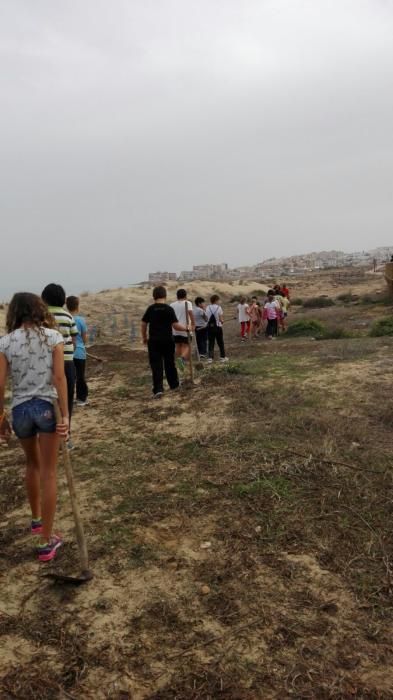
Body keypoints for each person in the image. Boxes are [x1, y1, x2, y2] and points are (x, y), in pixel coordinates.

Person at [0, 293, 69, 562]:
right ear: (39, 310)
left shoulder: (5, 342)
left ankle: (37, 520)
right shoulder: (53, 337)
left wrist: (1, 418)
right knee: (49, 472)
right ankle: (46, 542)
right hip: (46, 407)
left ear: (14, 313)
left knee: (32, 465)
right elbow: (59, 377)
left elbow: (1, 384)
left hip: (20, 410)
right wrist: (65, 416)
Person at [41, 284, 77, 444]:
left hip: (45, 365)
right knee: (66, 398)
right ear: (63, 300)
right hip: (67, 363)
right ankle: (66, 435)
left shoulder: (41, 316)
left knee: (46, 399)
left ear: (44, 299)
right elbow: (74, 340)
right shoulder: (68, 316)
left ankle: (46, 434)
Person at [141, 286, 189, 398]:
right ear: (165, 296)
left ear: (154, 296)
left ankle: (158, 389)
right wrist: (186, 328)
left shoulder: (151, 309)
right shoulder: (168, 309)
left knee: (156, 365)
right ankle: (174, 385)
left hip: (154, 341)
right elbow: (175, 326)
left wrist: (144, 337)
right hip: (167, 340)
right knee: (169, 363)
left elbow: (143, 324)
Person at [66, 296, 89, 407]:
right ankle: (81, 398)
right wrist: (82, 344)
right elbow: (84, 338)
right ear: (77, 306)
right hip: (79, 352)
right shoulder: (80, 320)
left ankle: (68, 399)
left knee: (69, 377)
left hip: (67, 353)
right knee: (80, 377)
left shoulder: (66, 319)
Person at [170, 289, 195, 372]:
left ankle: (180, 364)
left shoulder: (172, 305)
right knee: (187, 346)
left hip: (175, 329)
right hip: (186, 328)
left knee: (178, 346)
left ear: (177, 296)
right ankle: (182, 359)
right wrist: (193, 325)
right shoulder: (188, 303)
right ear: (185, 296)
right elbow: (191, 314)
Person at [206, 294, 228, 362]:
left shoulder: (208, 307)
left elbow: (207, 318)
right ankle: (222, 357)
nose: (219, 301)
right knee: (220, 342)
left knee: (211, 343)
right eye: (218, 300)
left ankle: (210, 358)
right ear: (216, 300)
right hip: (218, 328)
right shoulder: (219, 308)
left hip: (210, 328)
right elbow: (221, 320)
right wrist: (222, 321)